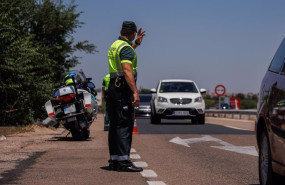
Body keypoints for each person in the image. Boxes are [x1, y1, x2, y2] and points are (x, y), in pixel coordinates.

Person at [107, 21, 146, 172]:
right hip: (123, 89)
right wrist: (135, 92)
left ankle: (114, 160)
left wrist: (136, 43)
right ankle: (124, 163)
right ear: (134, 33)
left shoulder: (116, 45)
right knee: (124, 124)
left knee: (115, 125)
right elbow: (127, 69)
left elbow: (125, 53)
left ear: (120, 30)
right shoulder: (126, 49)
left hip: (113, 87)